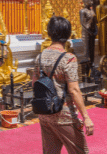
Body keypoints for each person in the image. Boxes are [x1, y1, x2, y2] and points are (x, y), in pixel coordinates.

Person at [33, 16, 93, 154]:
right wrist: (86, 117)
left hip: (45, 113)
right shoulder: (68, 58)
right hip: (64, 115)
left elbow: (34, 84)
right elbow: (74, 90)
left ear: (49, 33)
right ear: (68, 34)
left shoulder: (40, 57)